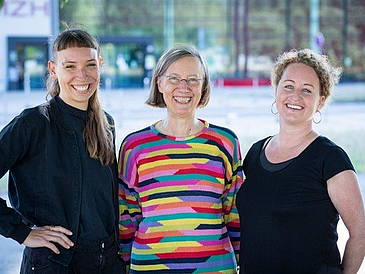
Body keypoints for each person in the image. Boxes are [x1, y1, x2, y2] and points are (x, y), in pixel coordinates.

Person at [0, 25, 126, 273]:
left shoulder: (106, 123)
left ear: (100, 65)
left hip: (108, 260)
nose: (82, 75)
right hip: (55, 262)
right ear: (53, 69)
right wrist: (21, 231)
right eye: (70, 66)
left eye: (90, 65)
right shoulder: (32, 124)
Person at [236, 49, 365, 274]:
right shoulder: (255, 153)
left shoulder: (330, 158)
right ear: (276, 90)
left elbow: (360, 232)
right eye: (288, 86)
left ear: (320, 101)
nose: (295, 96)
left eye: (307, 90)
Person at [118, 44, 243, 273]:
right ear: (159, 83)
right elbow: (127, 219)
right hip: (149, 268)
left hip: (214, 268)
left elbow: (234, 213)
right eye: (174, 78)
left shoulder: (225, 144)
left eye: (193, 80)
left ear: (203, 86)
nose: (183, 88)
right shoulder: (134, 147)